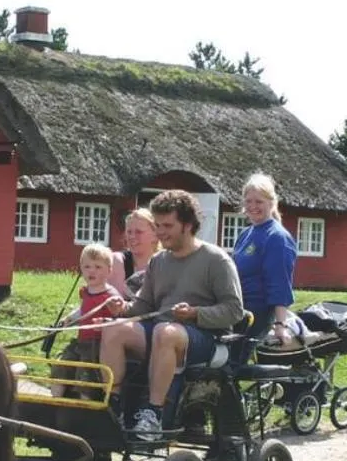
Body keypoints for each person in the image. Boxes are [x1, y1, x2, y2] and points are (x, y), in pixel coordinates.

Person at [100, 189, 245, 441]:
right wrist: (122, 310)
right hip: (162, 333)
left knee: (164, 332)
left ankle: (153, 415)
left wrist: (194, 314)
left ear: (188, 225)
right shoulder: (159, 261)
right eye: (157, 225)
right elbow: (145, 305)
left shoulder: (217, 260)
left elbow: (234, 311)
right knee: (114, 329)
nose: (160, 232)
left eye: (167, 225)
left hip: (207, 340)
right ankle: (113, 407)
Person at [232, 172, 300, 347]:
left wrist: (280, 325)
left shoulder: (277, 237)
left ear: (272, 203)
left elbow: (280, 282)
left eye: (259, 201)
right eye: (249, 201)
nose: (253, 206)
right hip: (236, 308)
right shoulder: (246, 234)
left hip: (257, 313)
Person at [49, 243, 121, 399]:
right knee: (61, 366)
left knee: (86, 377)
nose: (91, 271)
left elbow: (118, 319)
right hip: (80, 342)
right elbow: (82, 310)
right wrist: (69, 318)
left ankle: (85, 406)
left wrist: (106, 322)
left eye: (97, 267)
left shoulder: (111, 296)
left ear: (109, 270)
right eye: (87, 267)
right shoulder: (86, 291)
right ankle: (55, 401)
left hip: (96, 345)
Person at [108, 207, 159, 297]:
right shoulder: (117, 261)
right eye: (129, 232)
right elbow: (116, 304)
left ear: (155, 235)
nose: (132, 236)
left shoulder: (164, 263)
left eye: (139, 232)